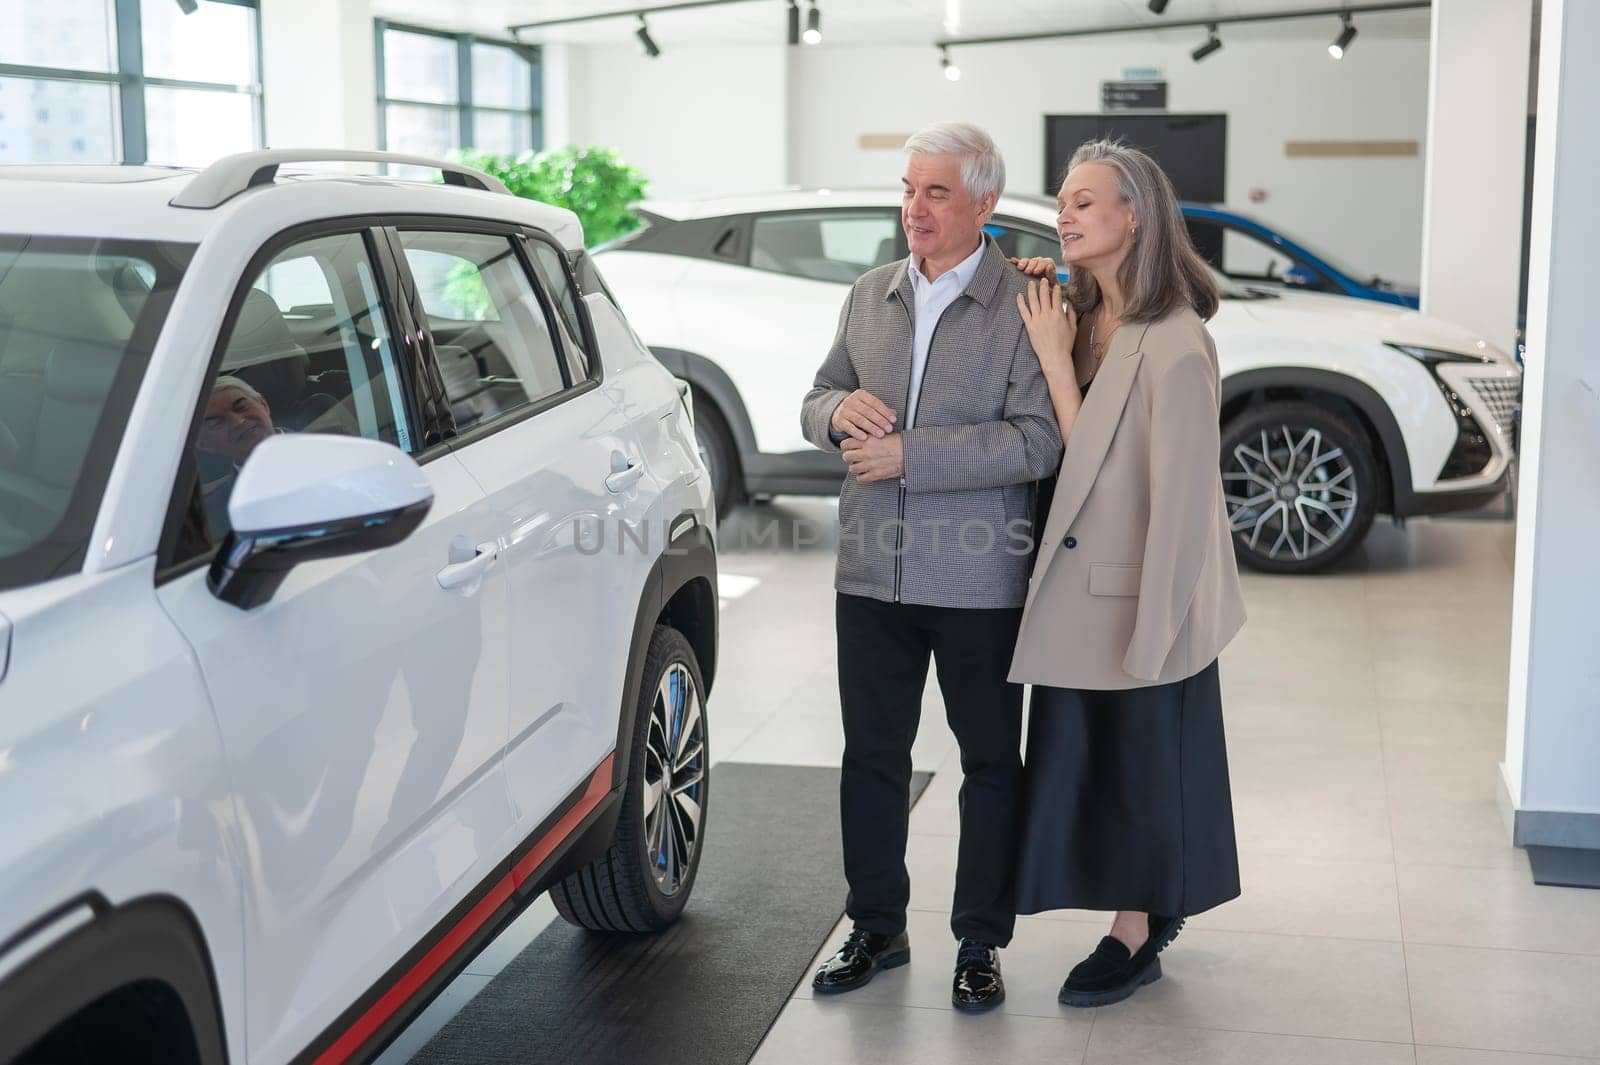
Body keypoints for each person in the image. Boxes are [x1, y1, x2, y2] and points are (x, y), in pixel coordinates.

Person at [799, 122, 1062, 1013]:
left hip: (979, 581)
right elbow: (814, 396)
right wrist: (838, 412)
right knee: (872, 756)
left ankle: (980, 939)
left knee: (990, 760)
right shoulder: (870, 293)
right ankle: (876, 922)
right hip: (870, 573)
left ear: (984, 204)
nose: (914, 207)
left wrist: (914, 455)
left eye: (936, 191)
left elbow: (1039, 439)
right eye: (908, 188)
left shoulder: (1027, 307)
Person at [1007, 139, 1248, 1008]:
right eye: (1062, 202)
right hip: (1080, 591)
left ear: (1135, 214)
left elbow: (1177, 502)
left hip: (1144, 592)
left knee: (1144, 765)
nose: (1064, 214)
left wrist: (1160, 628)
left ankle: (1136, 927)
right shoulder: (1086, 317)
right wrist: (1046, 311)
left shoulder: (1177, 343)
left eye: (1084, 201)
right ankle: (1140, 908)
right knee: (1090, 763)